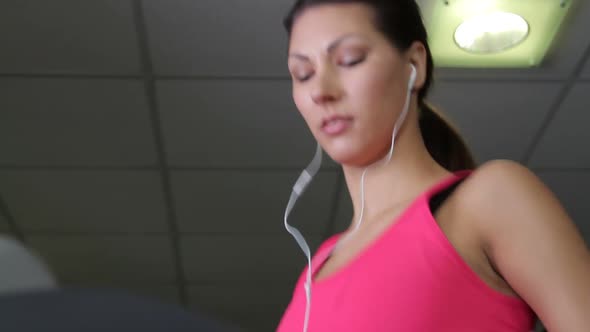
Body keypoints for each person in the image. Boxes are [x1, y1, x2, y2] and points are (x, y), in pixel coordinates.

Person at [277, 1, 590, 331]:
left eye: (350, 60)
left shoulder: (489, 201)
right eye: (303, 74)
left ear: (415, 64)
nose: (320, 91)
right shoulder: (317, 270)